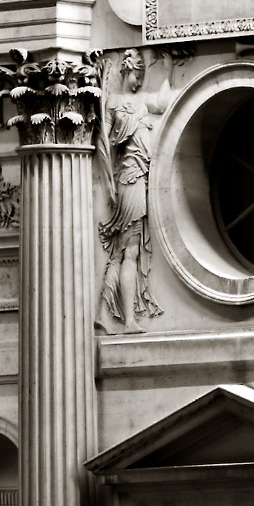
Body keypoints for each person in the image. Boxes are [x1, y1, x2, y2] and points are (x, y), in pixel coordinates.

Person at [96, 48, 174, 333]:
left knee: (122, 252)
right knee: (129, 251)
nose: (139, 79)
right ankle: (126, 319)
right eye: (136, 73)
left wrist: (167, 71)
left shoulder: (141, 100)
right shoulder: (115, 102)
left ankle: (105, 312)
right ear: (125, 70)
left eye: (142, 74)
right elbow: (103, 144)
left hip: (137, 179)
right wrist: (107, 182)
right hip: (129, 181)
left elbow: (163, 102)